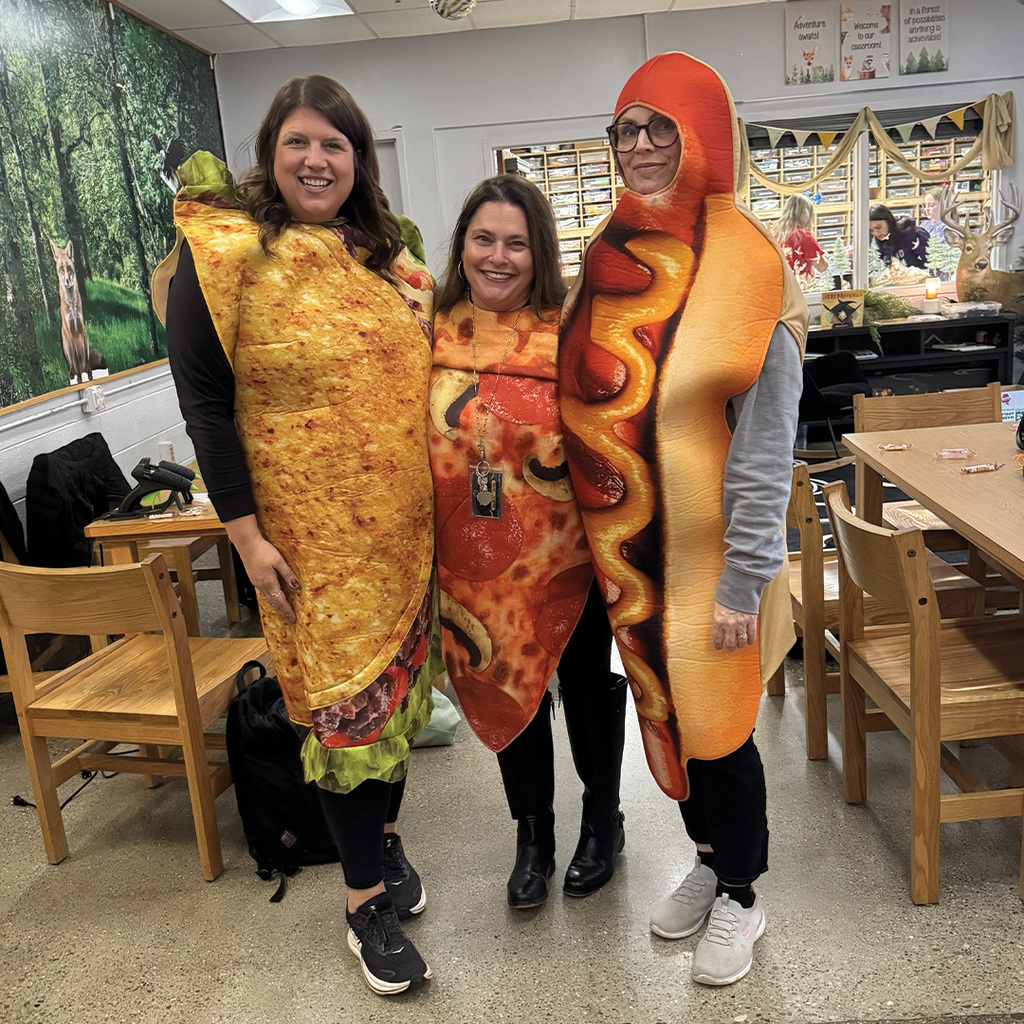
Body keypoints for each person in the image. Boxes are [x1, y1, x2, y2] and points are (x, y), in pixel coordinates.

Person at [154, 75, 438, 997]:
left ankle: (385, 847)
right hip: (308, 549)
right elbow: (202, 402)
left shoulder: (388, 261)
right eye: (299, 144)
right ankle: (363, 907)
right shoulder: (228, 250)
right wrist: (242, 534)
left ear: (359, 161)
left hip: (406, 538)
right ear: (271, 156)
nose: (317, 160)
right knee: (346, 720)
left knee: (393, 709)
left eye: (336, 145)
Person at [559, 53, 807, 987]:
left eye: (665, 125)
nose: (645, 145)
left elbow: (767, 436)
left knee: (721, 726)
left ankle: (744, 893)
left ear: (707, 132)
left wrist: (747, 573)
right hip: (632, 555)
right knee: (668, 715)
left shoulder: (750, 265)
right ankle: (709, 861)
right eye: (629, 127)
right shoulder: (606, 250)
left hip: (712, 558)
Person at [428, 175, 627, 909]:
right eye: (484, 239)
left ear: (537, 251)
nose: (499, 256)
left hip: (566, 560)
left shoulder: (570, 328)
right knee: (503, 686)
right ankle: (533, 835)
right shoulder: (432, 328)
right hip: (473, 567)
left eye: (516, 242)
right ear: (463, 246)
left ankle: (604, 822)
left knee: (581, 687)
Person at [775, 194, 829, 280]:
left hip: (782, 285)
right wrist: (825, 258)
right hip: (800, 285)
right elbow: (822, 267)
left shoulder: (776, 234)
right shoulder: (804, 236)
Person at [869, 203, 929, 268]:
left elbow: (933, 264)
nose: (876, 233)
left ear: (889, 221)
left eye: (878, 227)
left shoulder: (914, 235)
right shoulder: (876, 244)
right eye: (871, 230)